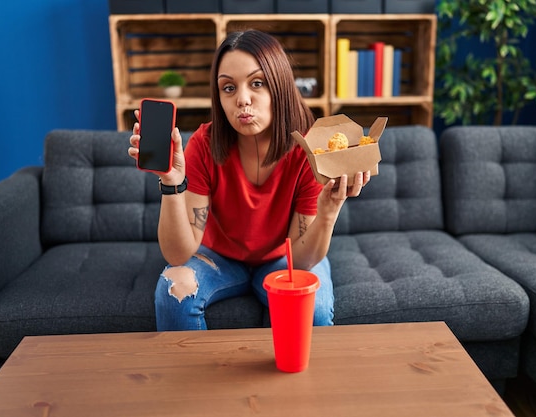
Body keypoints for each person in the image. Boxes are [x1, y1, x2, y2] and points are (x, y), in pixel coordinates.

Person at [128, 29, 370, 331]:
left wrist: (329, 211)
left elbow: (303, 258)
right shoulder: (204, 143)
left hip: (285, 256)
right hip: (218, 258)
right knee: (172, 290)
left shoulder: (309, 149)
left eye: (257, 83)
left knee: (313, 308)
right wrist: (172, 182)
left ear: (279, 86)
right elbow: (178, 255)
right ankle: (191, 380)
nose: (242, 99)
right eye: (228, 88)